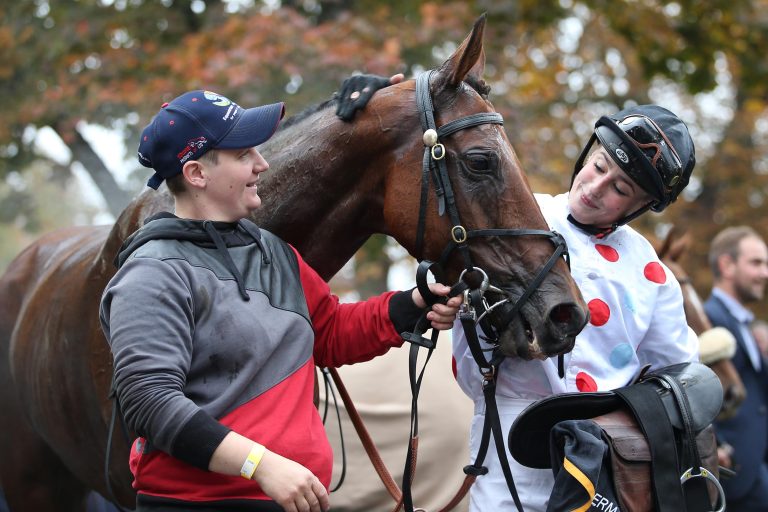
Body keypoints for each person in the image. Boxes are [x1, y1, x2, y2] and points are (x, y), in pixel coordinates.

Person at [336, 77, 699, 511]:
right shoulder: (511, 216)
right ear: (587, 154)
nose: (595, 188)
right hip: (510, 432)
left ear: (639, 207)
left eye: (620, 190)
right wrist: (450, 304)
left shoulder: (652, 274)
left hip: (604, 453)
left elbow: (678, 374)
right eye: (599, 167)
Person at [99, 89, 462, 512]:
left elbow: (330, 332)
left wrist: (414, 302)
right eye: (243, 154)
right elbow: (149, 402)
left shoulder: (274, 252)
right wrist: (260, 464)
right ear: (196, 173)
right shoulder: (151, 273)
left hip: (295, 500)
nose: (262, 163)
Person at [704, 226, 768, 511]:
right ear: (727, 265)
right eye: (756, 263)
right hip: (731, 470)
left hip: (756, 464)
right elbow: (701, 391)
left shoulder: (748, 325)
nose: (765, 273)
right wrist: (717, 445)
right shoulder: (708, 318)